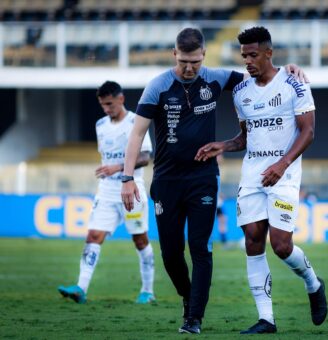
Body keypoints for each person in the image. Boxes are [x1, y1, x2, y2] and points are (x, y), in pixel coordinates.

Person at [121, 28, 307, 334]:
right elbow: (137, 134)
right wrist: (127, 178)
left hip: (203, 179)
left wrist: (289, 70)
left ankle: (193, 317)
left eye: (194, 61)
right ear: (174, 55)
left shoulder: (217, 78)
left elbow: (263, 74)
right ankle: (187, 296)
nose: (189, 67)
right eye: (183, 61)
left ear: (204, 55)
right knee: (170, 254)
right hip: (166, 181)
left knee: (200, 248)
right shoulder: (157, 87)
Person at [195, 26, 327, 334]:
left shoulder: (295, 84)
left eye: (253, 55)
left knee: (281, 245)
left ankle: (312, 282)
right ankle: (266, 319)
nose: (248, 61)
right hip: (253, 174)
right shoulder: (241, 91)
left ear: (269, 52)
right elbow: (246, 136)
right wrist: (223, 145)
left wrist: (282, 164)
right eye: (244, 56)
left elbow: (308, 132)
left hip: (285, 173)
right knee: (253, 241)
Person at [58, 81, 155, 305]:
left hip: (132, 189)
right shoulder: (100, 124)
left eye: (109, 104)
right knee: (93, 237)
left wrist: (118, 167)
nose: (106, 109)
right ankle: (81, 288)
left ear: (121, 99)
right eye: (103, 105)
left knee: (140, 240)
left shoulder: (135, 122)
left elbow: (145, 157)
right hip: (107, 191)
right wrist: (110, 170)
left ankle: (148, 291)